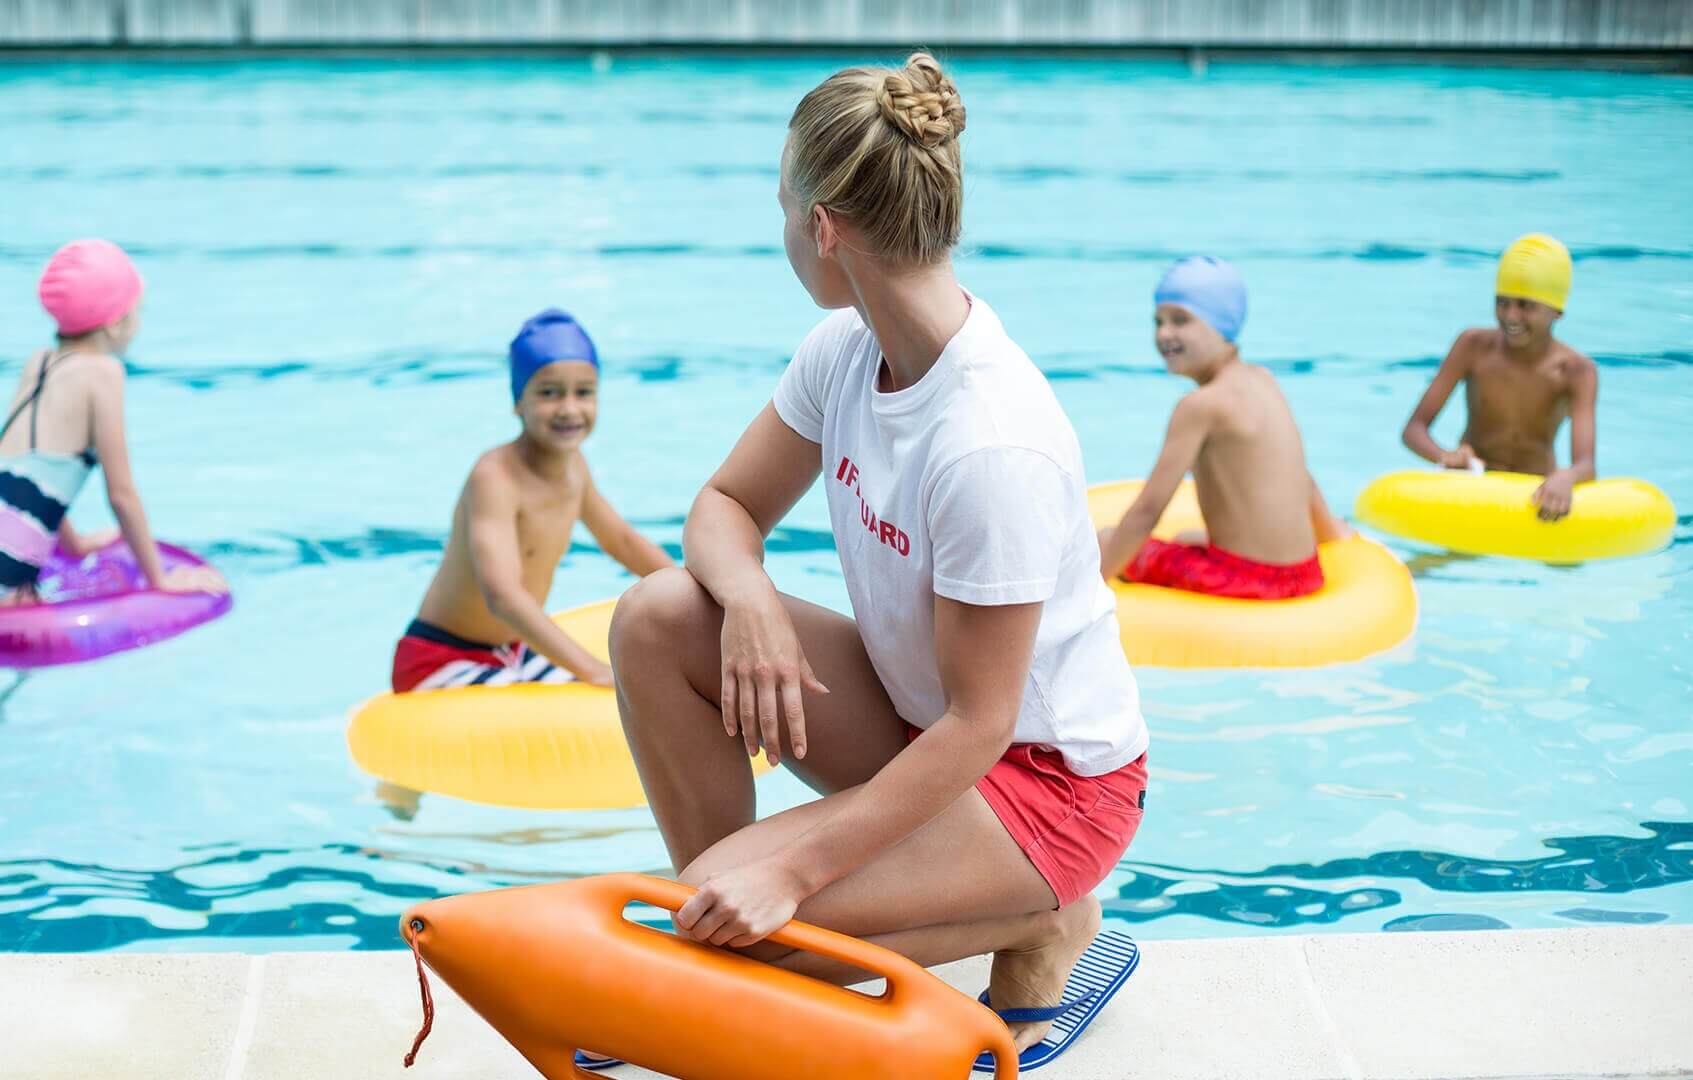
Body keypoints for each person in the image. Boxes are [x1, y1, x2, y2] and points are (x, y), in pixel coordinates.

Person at [603, 53, 1147, 1062]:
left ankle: (1043, 915)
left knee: (707, 935)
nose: (781, 235)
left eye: (780, 210)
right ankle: (737, 922)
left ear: (823, 229)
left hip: (1040, 784)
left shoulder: (989, 440)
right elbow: (723, 507)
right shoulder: (845, 352)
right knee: (660, 615)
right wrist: (751, 595)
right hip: (918, 727)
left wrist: (799, 869)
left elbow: (983, 725)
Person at [0, 239, 225, 610]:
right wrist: (161, 579)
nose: (139, 324)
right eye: (137, 312)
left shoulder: (39, 362)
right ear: (115, 324)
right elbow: (121, 494)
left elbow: (30, 472)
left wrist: (73, 545)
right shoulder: (104, 373)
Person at [392, 309, 673, 694]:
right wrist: (592, 669)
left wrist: (688, 593)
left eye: (584, 392)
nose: (569, 408)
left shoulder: (574, 468)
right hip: (441, 656)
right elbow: (503, 596)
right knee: (588, 699)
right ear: (517, 401)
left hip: (512, 651)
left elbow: (621, 541)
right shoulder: (495, 477)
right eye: (548, 393)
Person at [1096, 257, 1349, 599]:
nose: (1163, 333)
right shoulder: (1264, 379)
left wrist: (1095, 589)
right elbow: (1301, 477)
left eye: (1181, 320)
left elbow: (1147, 511)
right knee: (1187, 537)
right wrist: (1331, 533)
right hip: (1304, 575)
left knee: (1102, 540)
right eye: (1158, 321)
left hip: (1243, 580)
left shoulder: (1200, 406)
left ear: (1223, 326)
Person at [1400, 233, 1596, 521]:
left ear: (1557, 311)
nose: (1511, 316)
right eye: (1502, 303)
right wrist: (1446, 456)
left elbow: (1586, 465)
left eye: (1525, 305)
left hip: (1534, 493)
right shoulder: (1473, 346)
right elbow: (1414, 429)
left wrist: (1567, 477)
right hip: (1476, 489)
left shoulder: (1576, 371)